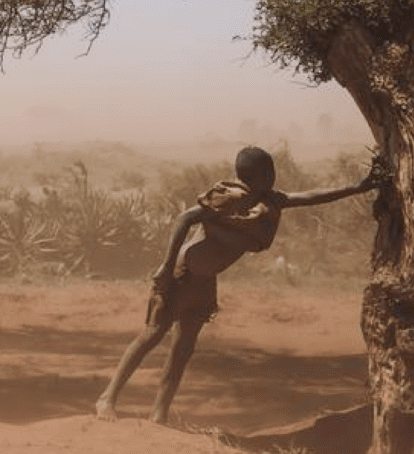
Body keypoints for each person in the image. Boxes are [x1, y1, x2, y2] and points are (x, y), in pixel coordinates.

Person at [95, 146, 383, 425]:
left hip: (205, 281)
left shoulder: (270, 201)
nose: (274, 176)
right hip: (183, 274)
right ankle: (107, 398)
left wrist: (359, 186)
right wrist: (166, 267)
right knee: (152, 334)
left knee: (183, 349)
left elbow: (312, 196)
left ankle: (159, 413)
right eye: (270, 171)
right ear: (257, 175)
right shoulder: (228, 197)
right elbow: (185, 218)